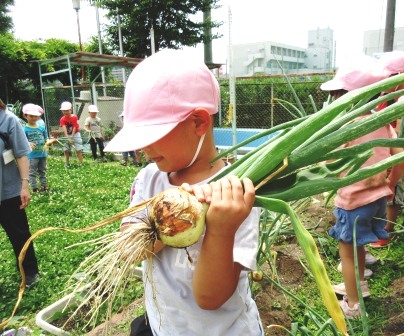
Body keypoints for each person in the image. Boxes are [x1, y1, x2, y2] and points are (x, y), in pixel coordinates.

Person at [104, 49, 264, 335]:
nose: (144, 147)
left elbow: (210, 299)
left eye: (152, 135)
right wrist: (171, 219)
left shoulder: (236, 196)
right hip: (163, 324)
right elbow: (130, 248)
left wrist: (220, 229)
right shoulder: (149, 179)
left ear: (198, 123)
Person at [321, 61, 404, 318]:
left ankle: (353, 305)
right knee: (358, 246)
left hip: (353, 202)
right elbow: (400, 158)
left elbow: (331, 163)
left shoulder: (346, 127)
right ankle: (358, 287)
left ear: (349, 97)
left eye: (338, 96)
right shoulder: (381, 124)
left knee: (347, 253)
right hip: (379, 199)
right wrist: (389, 184)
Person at [370, 52, 404, 248]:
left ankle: (386, 231)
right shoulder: (380, 97)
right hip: (380, 150)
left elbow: (400, 129)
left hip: (394, 151)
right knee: (378, 192)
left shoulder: (402, 99)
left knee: (393, 192)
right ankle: (377, 229)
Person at [0, 99, 39, 287]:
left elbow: (21, 154)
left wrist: (24, 185)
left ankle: (29, 271)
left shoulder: (8, 120)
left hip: (8, 191)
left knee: (19, 234)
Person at [23, 104, 52, 192]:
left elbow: (46, 138)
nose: (34, 118)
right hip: (32, 155)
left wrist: (48, 142)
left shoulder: (41, 128)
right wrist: (28, 143)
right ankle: (34, 187)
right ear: (25, 116)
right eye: (31, 116)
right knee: (32, 172)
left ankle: (44, 185)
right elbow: (22, 141)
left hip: (42, 154)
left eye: (36, 116)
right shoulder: (24, 129)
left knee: (42, 170)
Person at [59, 101, 83, 167]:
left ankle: (81, 163)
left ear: (71, 110)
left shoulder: (74, 117)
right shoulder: (62, 119)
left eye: (67, 110)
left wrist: (72, 136)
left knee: (78, 149)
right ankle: (67, 162)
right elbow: (64, 128)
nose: (66, 112)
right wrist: (67, 137)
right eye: (64, 111)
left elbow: (75, 127)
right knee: (66, 149)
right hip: (67, 135)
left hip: (75, 134)